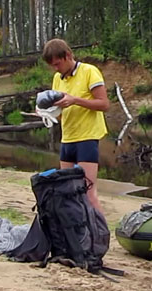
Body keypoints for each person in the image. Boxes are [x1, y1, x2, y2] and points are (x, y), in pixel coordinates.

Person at [41, 38, 109, 215]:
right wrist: (45, 112)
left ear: (68, 56)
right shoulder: (58, 78)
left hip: (87, 138)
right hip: (67, 138)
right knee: (67, 191)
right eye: (53, 66)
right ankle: (76, 232)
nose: (56, 69)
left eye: (58, 64)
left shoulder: (89, 71)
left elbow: (104, 104)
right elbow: (60, 110)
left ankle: (101, 233)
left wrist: (75, 100)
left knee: (87, 191)